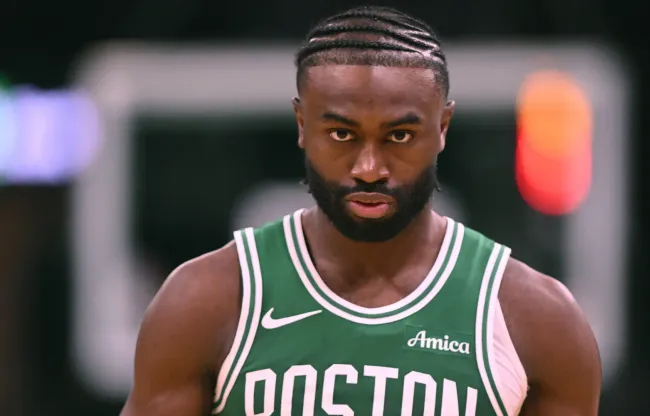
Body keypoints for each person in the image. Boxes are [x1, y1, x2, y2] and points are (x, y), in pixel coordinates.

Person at [121, 6, 601, 416]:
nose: (369, 168)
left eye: (399, 136)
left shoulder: (534, 319)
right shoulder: (208, 300)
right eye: (342, 134)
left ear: (443, 127)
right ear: (302, 124)